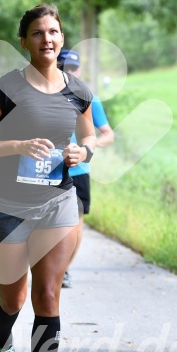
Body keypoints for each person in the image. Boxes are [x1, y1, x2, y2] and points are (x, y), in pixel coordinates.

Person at [0, 4, 96, 352]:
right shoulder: (8, 88)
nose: (47, 39)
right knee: (14, 297)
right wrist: (17, 147)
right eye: (38, 33)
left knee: (47, 295)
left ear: (61, 38)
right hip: (3, 204)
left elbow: (90, 135)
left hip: (57, 202)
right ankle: (3, 326)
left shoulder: (79, 90)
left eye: (54, 31)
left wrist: (83, 151)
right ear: (24, 41)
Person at [57, 50, 114, 288]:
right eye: (64, 67)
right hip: (48, 169)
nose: (69, 72)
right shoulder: (45, 95)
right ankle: (47, 264)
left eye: (73, 68)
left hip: (78, 171)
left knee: (76, 225)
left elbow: (107, 135)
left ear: (78, 70)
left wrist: (87, 148)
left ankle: (64, 270)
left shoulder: (90, 98)